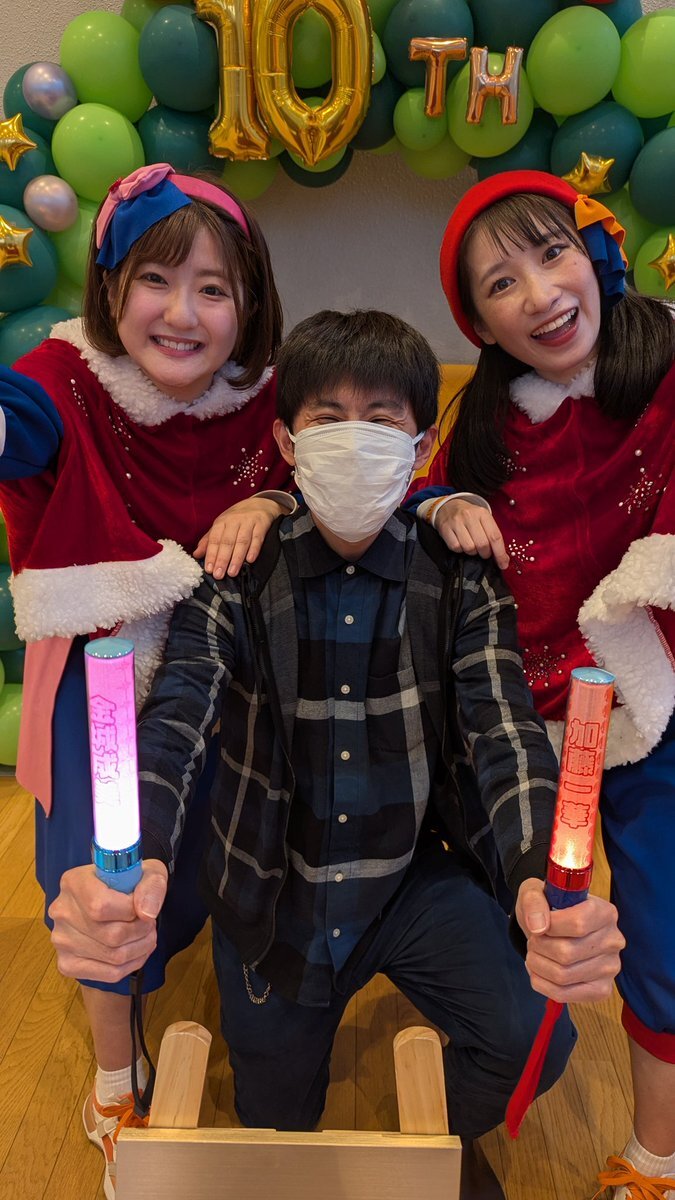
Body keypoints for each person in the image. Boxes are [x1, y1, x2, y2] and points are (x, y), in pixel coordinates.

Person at [49, 309, 623, 1199]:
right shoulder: (234, 570)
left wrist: (533, 878)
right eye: (327, 419)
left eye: (382, 419)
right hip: (273, 895)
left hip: (409, 877)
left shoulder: (459, 572)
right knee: (276, 1129)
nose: (354, 438)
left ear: (420, 444)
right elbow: (175, 720)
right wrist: (140, 854)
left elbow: (504, 729)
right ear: (287, 440)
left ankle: (430, 1151)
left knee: (527, 1045)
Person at [0, 162, 295, 1197]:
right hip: (108, 677)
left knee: (221, 851)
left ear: (247, 303)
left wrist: (271, 504)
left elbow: (348, 465)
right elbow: (17, 424)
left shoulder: (271, 396)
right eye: (156, 281)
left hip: (231, 673)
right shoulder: (62, 379)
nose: (181, 313)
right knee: (103, 874)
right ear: (111, 288)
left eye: (213, 288)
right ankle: (115, 1078)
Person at [410, 170, 675, 1200]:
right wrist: (443, 507)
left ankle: (655, 1155)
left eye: (550, 253)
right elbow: (421, 496)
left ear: (593, 251)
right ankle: (476, 1091)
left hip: (654, 702)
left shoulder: (663, 368)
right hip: (529, 723)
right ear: (480, 325)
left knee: (660, 930)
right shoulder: (483, 424)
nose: (539, 293)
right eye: (500, 284)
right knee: (522, 921)